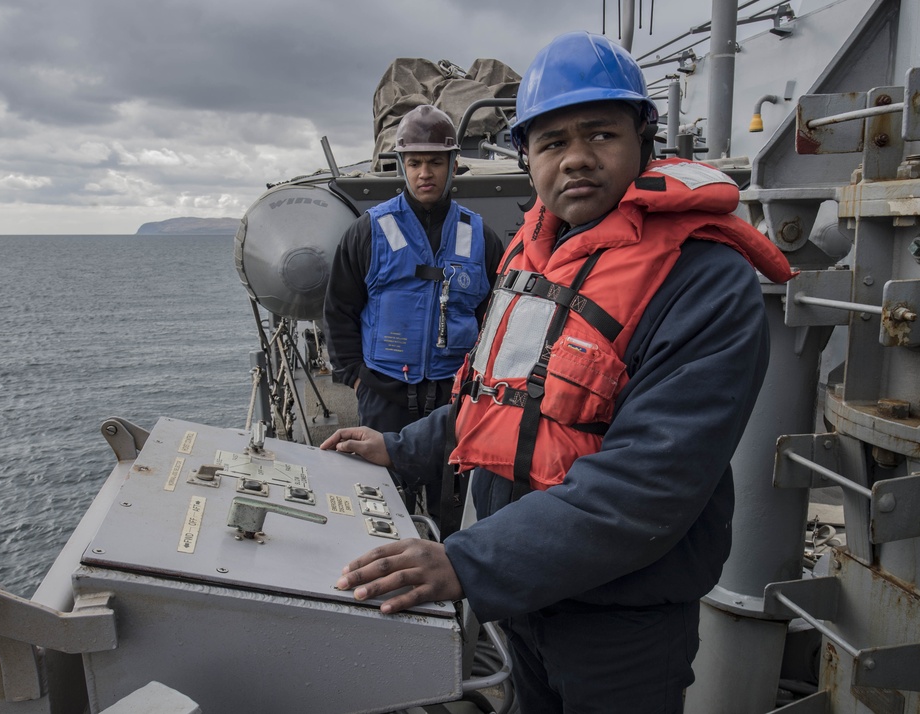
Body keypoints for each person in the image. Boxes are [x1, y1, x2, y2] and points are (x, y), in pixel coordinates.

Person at [321, 31, 794, 713]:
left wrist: (465, 561)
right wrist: (398, 447)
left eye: (600, 135)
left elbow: (648, 483)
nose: (575, 158)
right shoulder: (540, 256)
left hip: (618, 621)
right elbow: (505, 399)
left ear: (642, 139)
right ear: (527, 158)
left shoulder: (705, 282)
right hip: (526, 594)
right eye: (551, 143)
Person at [323, 104, 503, 517]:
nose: (426, 173)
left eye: (436, 162)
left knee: (450, 508)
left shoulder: (479, 236)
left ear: (453, 165)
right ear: (402, 165)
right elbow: (340, 308)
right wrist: (355, 378)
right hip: (384, 392)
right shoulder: (369, 230)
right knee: (381, 506)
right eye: (415, 162)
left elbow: (495, 316)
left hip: (450, 399)